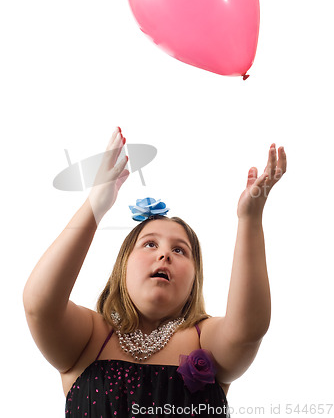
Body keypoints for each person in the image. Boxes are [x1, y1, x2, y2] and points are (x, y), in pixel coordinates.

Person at [23, 127, 287, 417]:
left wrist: (249, 217)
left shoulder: (205, 339)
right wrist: (95, 205)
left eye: (180, 250)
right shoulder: (91, 336)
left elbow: (248, 329)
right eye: (150, 244)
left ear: (194, 279)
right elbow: (39, 305)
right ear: (123, 266)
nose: (164, 254)